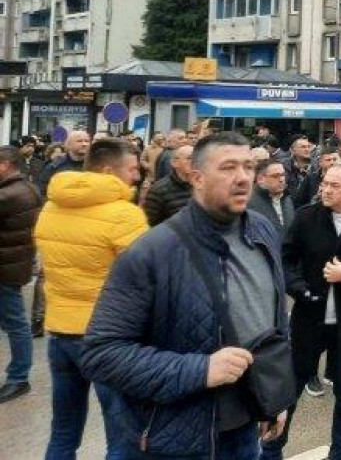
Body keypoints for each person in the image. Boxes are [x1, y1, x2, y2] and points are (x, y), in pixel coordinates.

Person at [81, 132, 289, 459]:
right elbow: (101, 352)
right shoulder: (153, 252)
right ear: (196, 177)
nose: (242, 177)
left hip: (247, 424)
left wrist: (276, 396)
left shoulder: (261, 229)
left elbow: (273, 323)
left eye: (248, 166)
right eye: (228, 167)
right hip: (180, 438)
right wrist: (200, 370)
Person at [262, 165, 341, 460]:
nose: (326, 189)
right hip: (309, 318)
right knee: (289, 392)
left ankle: (340, 453)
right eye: (324, 184)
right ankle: (270, 452)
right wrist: (300, 289)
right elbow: (285, 260)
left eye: (334, 185)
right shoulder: (307, 217)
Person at [35, 138, 148, 458]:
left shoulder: (53, 204)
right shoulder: (125, 214)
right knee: (123, 436)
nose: (137, 176)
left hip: (60, 331)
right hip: (108, 336)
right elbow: (145, 279)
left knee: (63, 432)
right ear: (108, 170)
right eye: (132, 169)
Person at [0, 146, 43, 402]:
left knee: (16, 325)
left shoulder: (9, 195)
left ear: (5, 165)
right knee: (14, 324)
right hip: (12, 265)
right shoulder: (26, 188)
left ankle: (19, 378)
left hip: (6, 269)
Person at [142, 144, 193, 227]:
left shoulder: (201, 186)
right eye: (189, 158)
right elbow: (149, 224)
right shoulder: (158, 190)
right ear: (175, 163)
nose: (195, 161)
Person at [248, 159, 296, 237]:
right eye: (275, 176)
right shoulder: (249, 203)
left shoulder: (287, 200)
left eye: (283, 175)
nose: (281, 180)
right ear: (260, 179)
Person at [36, 130, 90, 199]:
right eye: (79, 141)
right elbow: (41, 191)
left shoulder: (96, 165)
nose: (84, 144)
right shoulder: (55, 166)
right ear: (69, 145)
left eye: (86, 141)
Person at [283, 137, 313, 201]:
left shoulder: (316, 166)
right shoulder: (284, 166)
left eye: (308, 147)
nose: (307, 149)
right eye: (303, 147)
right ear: (293, 150)